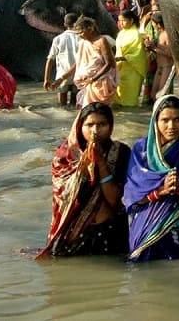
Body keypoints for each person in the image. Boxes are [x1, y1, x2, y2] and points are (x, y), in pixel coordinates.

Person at [124, 95, 179, 261]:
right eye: (165, 120)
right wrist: (161, 190)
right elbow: (132, 196)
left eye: (178, 119)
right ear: (155, 122)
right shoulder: (141, 149)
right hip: (147, 222)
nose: (171, 126)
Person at [39, 102, 131, 257]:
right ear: (79, 127)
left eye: (102, 124)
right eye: (90, 125)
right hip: (75, 233)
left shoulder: (120, 152)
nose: (95, 130)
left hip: (111, 231)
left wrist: (101, 163)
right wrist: (84, 168)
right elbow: (66, 199)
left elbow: (116, 200)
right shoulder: (65, 157)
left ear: (111, 126)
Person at [69, 16, 118, 107]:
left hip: (100, 82)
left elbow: (109, 64)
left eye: (81, 32)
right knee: (87, 109)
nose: (79, 35)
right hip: (88, 83)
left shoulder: (101, 41)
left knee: (98, 109)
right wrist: (61, 78)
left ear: (90, 29)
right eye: (77, 33)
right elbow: (78, 63)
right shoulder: (84, 43)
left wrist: (92, 79)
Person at [44, 13, 80, 108]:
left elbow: (50, 59)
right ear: (77, 23)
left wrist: (46, 79)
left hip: (61, 76)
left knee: (61, 106)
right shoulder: (82, 38)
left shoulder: (58, 39)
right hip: (78, 75)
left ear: (64, 24)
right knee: (74, 105)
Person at [114, 9, 149, 107]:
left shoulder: (136, 34)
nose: (121, 23)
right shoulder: (121, 33)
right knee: (117, 96)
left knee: (129, 100)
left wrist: (122, 58)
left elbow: (137, 54)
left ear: (131, 20)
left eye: (123, 20)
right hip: (120, 68)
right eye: (119, 20)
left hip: (132, 69)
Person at [144, 11, 174, 99]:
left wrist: (154, 48)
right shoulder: (160, 33)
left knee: (161, 95)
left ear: (158, 24)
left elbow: (170, 54)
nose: (152, 25)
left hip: (167, 66)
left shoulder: (167, 35)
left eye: (153, 23)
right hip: (159, 67)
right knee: (153, 94)